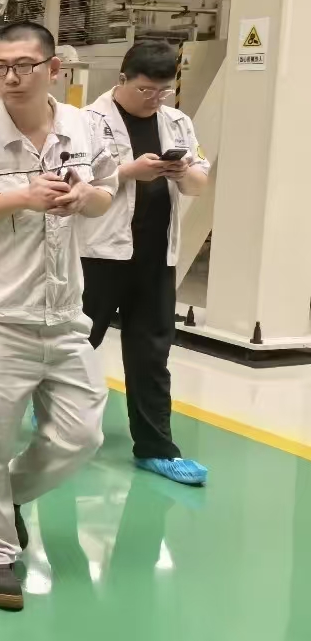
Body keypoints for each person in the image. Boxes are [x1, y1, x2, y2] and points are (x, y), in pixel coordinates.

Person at [0, 21, 118, 611]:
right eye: (0, 67)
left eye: (23, 66)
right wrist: (22, 197)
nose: (10, 77)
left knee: (82, 435)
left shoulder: (85, 128)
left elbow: (108, 191)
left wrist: (84, 198)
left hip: (65, 315)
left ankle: (6, 496)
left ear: (53, 69)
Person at [80, 40, 211, 485]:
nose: (154, 99)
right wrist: (127, 172)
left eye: (163, 91)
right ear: (122, 79)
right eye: (144, 90)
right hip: (98, 254)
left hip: (155, 257)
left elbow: (198, 185)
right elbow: (76, 182)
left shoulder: (178, 122)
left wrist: (183, 173)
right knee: (78, 346)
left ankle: (156, 448)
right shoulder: (87, 122)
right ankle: (59, 424)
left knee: (152, 354)